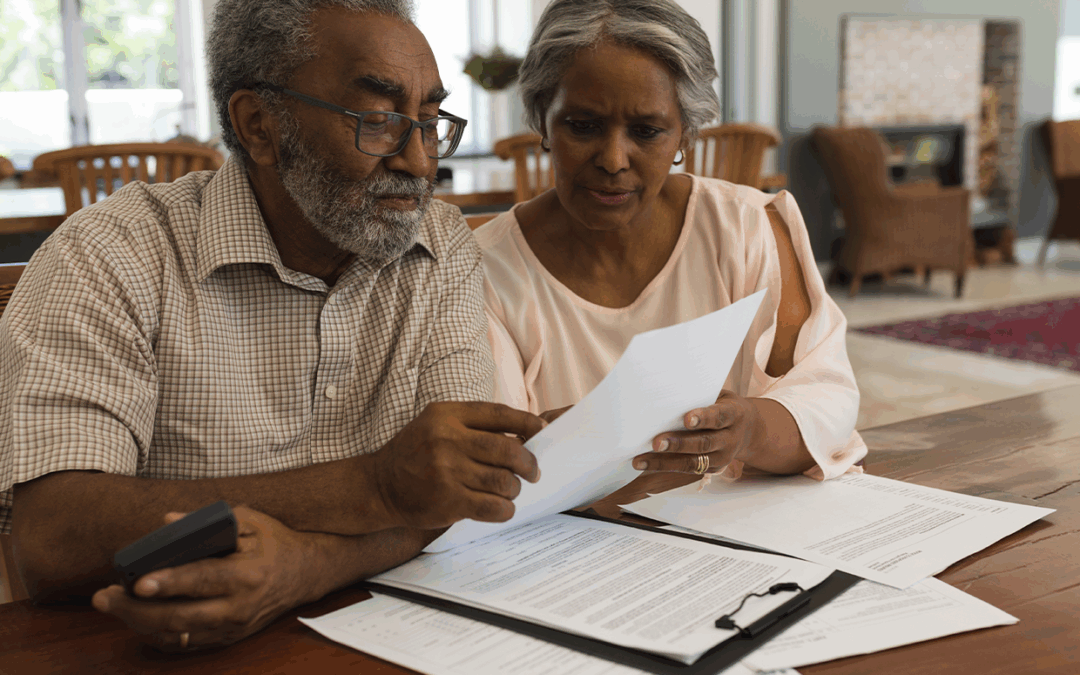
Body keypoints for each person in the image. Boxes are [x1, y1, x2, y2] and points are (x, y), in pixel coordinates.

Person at [0, 0, 545, 651]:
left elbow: (453, 492)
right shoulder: (113, 253)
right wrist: (372, 486)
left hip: (394, 636)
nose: (421, 163)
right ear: (259, 125)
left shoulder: (441, 244)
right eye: (378, 121)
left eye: (429, 122)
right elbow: (51, 536)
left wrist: (310, 566)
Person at [477, 0, 867, 483]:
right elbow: (497, 464)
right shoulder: (485, 268)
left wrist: (747, 432)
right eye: (582, 126)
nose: (614, 159)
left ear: (686, 133)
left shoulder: (747, 227)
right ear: (542, 119)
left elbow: (823, 399)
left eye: (647, 131)